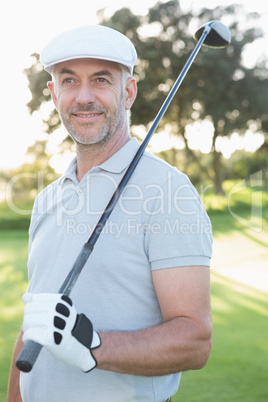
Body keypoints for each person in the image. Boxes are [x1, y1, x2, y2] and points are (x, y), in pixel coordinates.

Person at [7, 25, 213, 402]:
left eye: (101, 80)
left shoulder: (169, 191)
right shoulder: (45, 200)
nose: (84, 97)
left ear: (128, 92)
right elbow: (34, 326)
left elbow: (194, 340)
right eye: (69, 81)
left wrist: (93, 346)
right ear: (54, 95)